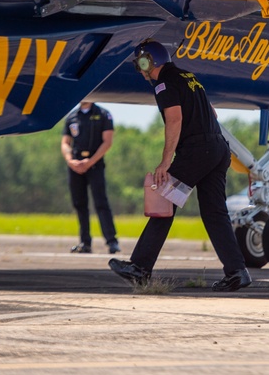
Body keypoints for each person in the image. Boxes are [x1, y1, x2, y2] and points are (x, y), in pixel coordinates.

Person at [109, 40, 252, 292]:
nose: (139, 70)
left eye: (139, 64)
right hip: (218, 148)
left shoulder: (163, 83)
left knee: (163, 201)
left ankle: (140, 268)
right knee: (215, 213)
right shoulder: (188, 77)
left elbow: (174, 120)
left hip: (199, 150)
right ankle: (237, 272)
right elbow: (214, 115)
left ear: (147, 62)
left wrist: (165, 162)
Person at [62, 99, 121, 254]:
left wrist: (90, 162)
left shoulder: (103, 114)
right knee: (79, 204)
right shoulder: (72, 116)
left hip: (94, 164)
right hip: (75, 165)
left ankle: (111, 241)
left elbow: (107, 142)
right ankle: (85, 242)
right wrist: (70, 161)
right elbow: (65, 142)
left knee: (101, 202)